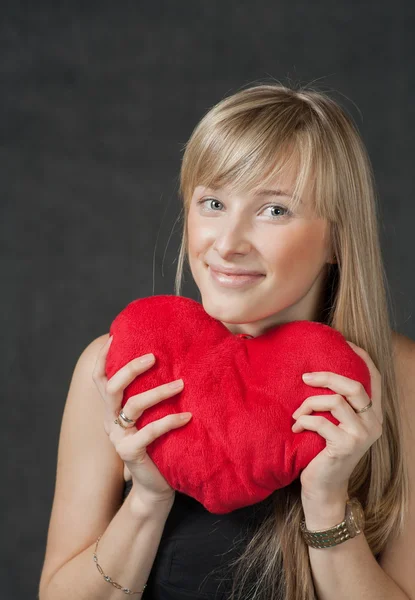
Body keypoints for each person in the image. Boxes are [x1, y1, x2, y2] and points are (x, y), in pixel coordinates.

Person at [38, 82, 415, 600]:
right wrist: (148, 497)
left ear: (337, 238)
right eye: (213, 202)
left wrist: (326, 503)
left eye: (274, 210)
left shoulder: (401, 379)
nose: (228, 243)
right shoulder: (116, 370)